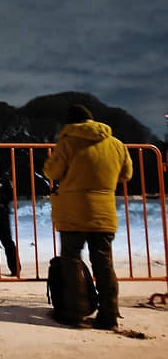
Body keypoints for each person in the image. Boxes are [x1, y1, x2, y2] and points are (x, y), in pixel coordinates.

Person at [43, 104, 133, 330]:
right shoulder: (116, 144)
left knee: (71, 260)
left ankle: (73, 313)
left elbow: (52, 172)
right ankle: (109, 315)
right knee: (104, 263)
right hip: (104, 211)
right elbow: (127, 174)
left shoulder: (68, 142)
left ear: (71, 123)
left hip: (73, 211)